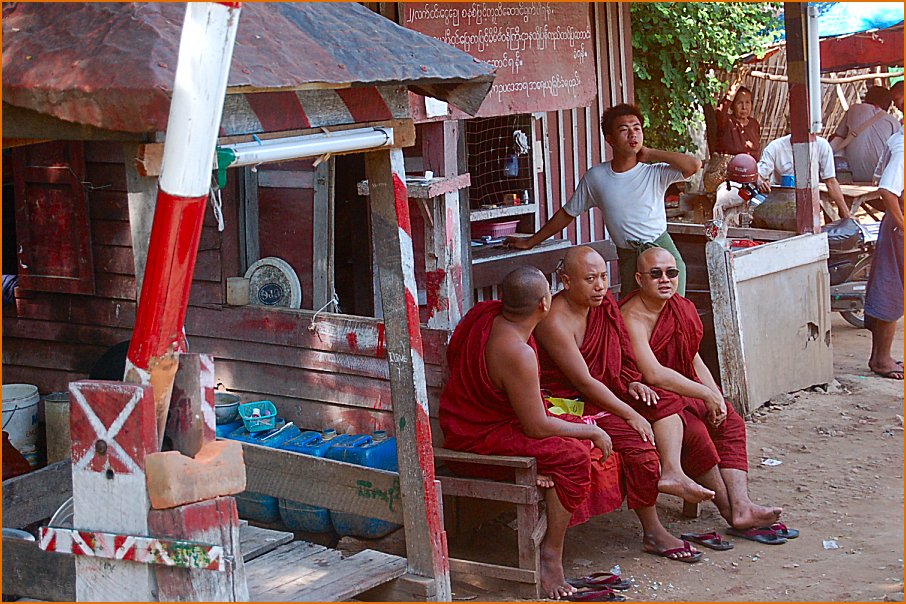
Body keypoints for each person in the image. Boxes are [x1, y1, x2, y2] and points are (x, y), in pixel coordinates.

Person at [439, 266, 617, 600]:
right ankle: (551, 557)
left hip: (477, 418)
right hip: (479, 434)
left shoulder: (485, 315)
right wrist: (590, 434)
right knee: (576, 455)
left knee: (574, 435)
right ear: (544, 304)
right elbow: (535, 426)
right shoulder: (517, 352)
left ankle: (549, 470)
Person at [535, 246, 708, 563]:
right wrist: (629, 413)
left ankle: (655, 527)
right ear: (566, 281)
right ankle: (652, 531)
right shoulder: (555, 321)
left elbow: (616, 358)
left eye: (603, 276)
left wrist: (630, 380)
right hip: (564, 405)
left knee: (652, 429)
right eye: (590, 279)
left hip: (601, 397)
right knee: (638, 436)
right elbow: (585, 381)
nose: (600, 286)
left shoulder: (601, 307)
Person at [620, 248, 789, 540]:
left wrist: (714, 396)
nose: (665, 280)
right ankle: (729, 510)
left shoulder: (680, 307)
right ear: (639, 278)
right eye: (655, 274)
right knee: (695, 431)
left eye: (671, 273)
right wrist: (704, 394)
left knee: (729, 420)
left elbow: (692, 358)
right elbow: (653, 374)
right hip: (644, 391)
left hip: (681, 385)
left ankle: (742, 503)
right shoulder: (632, 315)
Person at [505, 103, 702, 298]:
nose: (632, 134)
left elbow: (694, 165)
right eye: (624, 130)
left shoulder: (654, 172)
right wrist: (530, 242)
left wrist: (650, 153)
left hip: (663, 256)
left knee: (675, 320)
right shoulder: (597, 177)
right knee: (631, 322)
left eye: (637, 128)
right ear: (610, 139)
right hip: (629, 259)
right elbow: (567, 213)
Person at [865, 128, 904, 380]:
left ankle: (881, 355)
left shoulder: (897, 138)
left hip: (895, 222)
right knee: (891, 288)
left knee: (890, 284)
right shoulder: (903, 147)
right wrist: (902, 224)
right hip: (898, 224)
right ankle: (881, 358)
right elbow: (887, 189)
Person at [757, 130, 850, 219]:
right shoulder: (775, 146)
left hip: (808, 200)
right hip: (779, 200)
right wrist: (761, 182)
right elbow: (759, 174)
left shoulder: (822, 146)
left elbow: (831, 182)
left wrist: (846, 214)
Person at [829, 85, 899, 183]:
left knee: (838, 140)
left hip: (851, 174)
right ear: (888, 103)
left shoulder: (854, 109)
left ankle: (833, 177)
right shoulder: (893, 121)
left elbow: (837, 136)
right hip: (879, 177)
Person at [714, 84, 762, 160]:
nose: (744, 107)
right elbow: (720, 111)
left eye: (747, 102)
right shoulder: (727, 121)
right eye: (740, 103)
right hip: (729, 167)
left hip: (751, 168)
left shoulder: (754, 124)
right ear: (732, 105)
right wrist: (735, 87)